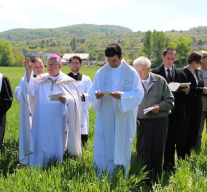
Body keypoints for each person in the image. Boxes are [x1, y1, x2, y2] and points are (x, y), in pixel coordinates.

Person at [90, 43, 144, 176]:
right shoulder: (101, 72)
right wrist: (96, 94)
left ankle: (121, 173)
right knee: (103, 143)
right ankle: (102, 173)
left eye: (114, 60)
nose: (111, 64)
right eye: (108, 61)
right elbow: (92, 90)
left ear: (121, 57)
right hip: (105, 114)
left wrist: (122, 96)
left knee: (123, 142)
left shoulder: (131, 73)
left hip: (123, 115)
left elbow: (139, 94)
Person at [23, 54, 82, 167]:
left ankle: (56, 161)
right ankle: (41, 160)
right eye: (48, 64)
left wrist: (67, 100)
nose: (49, 67)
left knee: (57, 140)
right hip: (42, 118)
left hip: (59, 118)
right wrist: (29, 72)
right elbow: (30, 92)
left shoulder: (67, 81)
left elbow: (75, 99)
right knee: (42, 140)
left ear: (59, 66)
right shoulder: (41, 79)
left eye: (52, 65)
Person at [134, 56, 174, 179]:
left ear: (149, 69)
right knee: (142, 150)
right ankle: (144, 177)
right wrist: (133, 117)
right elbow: (129, 103)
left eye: (142, 70)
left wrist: (159, 107)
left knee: (158, 149)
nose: (139, 73)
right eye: (137, 71)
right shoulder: (132, 83)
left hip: (159, 121)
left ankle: (157, 175)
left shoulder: (160, 81)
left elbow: (170, 101)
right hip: (142, 122)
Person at [151, 47, 189, 170]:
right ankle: (160, 164)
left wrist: (186, 91)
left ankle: (171, 164)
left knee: (174, 138)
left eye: (172, 59)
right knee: (162, 139)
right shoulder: (155, 73)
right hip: (161, 111)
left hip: (176, 112)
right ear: (163, 57)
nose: (170, 61)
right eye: (168, 58)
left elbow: (184, 98)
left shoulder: (181, 74)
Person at [15, 57, 45, 165]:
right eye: (36, 67)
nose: (39, 69)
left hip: (45, 115)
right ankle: (31, 159)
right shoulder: (25, 79)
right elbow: (18, 93)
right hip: (32, 114)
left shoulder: (48, 79)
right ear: (31, 67)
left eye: (41, 66)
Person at [67, 55, 93, 146]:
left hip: (82, 109)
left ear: (81, 64)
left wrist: (82, 96)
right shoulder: (64, 79)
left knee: (82, 130)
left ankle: (82, 150)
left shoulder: (86, 79)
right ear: (69, 64)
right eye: (73, 63)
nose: (75, 65)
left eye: (77, 63)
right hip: (69, 110)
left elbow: (91, 94)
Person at [182, 52, 204, 155]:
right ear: (193, 61)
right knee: (186, 129)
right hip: (187, 105)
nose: (199, 64)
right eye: (198, 62)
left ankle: (193, 151)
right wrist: (202, 90)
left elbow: (198, 87)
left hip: (198, 105)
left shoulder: (198, 73)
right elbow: (186, 89)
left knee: (195, 128)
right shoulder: (183, 73)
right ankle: (184, 153)